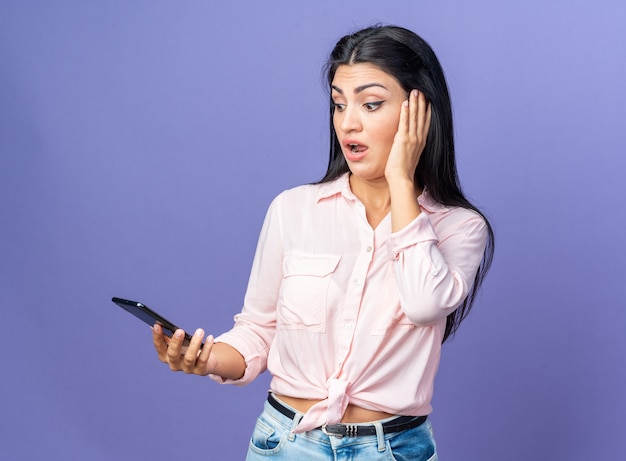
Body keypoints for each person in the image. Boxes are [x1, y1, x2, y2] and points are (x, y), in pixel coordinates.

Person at [152, 24, 494, 460]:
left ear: (420, 113)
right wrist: (206, 359)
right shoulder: (293, 209)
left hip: (391, 450)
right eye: (338, 104)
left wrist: (401, 181)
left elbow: (425, 303)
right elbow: (258, 332)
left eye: (371, 104)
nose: (348, 122)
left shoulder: (459, 227)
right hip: (286, 443)